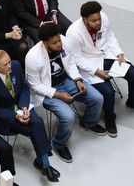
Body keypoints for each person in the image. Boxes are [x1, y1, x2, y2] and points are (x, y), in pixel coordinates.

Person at [24, 21, 104, 162]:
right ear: (44, 42)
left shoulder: (64, 42)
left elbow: (71, 63)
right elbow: (35, 85)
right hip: (48, 91)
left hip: (67, 81)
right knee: (68, 116)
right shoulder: (32, 57)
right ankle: (59, 144)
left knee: (97, 98)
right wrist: (58, 95)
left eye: (59, 40)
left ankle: (88, 123)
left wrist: (78, 80)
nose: (59, 44)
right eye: (54, 43)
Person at [0, 50, 58, 182]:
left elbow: (24, 87)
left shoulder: (15, 65)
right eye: (5, 65)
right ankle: (43, 163)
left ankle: (45, 164)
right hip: (6, 115)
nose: (9, 66)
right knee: (35, 128)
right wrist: (15, 117)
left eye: (9, 62)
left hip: (21, 106)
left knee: (37, 122)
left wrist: (24, 106)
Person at [66, 2, 134, 123]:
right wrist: (96, 71)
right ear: (84, 19)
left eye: (99, 18)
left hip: (106, 55)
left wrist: (119, 54)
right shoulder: (73, 33)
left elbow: (110, 37)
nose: (98, 22)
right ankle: (110, 119)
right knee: (108, 92)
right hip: (90, 64)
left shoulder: (104, 18)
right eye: (93, 21)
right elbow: (78, 59)